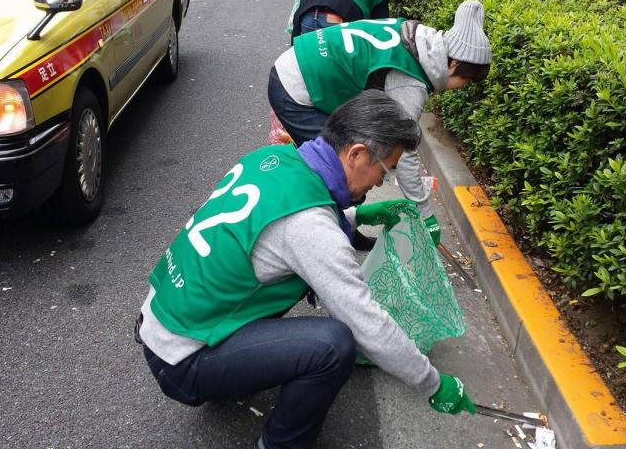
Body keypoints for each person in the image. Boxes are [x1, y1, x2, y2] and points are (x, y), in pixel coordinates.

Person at [137, 91, 475, 449]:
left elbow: (282, 230)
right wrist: (432, 382)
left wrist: (356, 215)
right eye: (385, 169)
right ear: (357, 153)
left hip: (162, 320)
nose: (381, 182)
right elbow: (366, 323)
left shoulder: (275, 157)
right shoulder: (310, 229)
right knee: (333, 345)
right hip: (182, 358)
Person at [268, 1, 492, 248]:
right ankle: (315, 243)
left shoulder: (417, 38)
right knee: (343, 172)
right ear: (454, 64)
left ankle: (341, 229)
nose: (462, 88)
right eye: (466, 80)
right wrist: (426, 214)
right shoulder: (410, 82)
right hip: (297, 88)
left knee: (346, 169)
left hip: (301, 65)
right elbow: (405, 154)